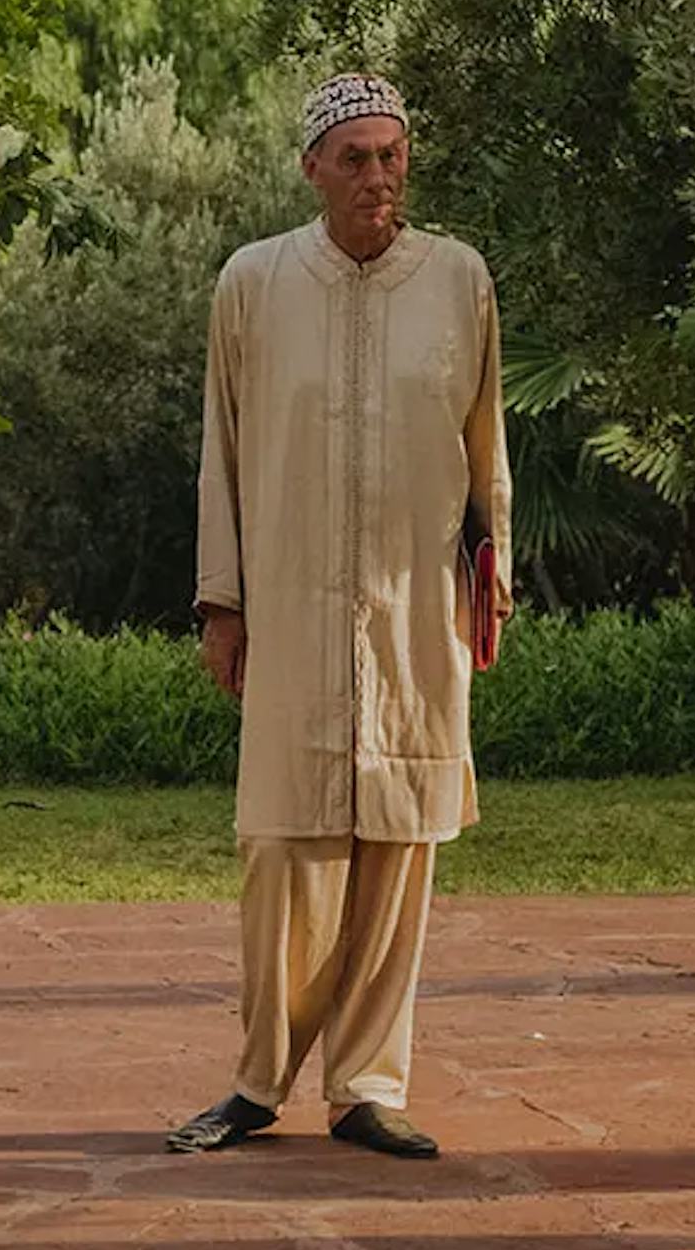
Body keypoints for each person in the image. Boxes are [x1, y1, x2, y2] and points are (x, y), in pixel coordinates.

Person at [167, 72, 510, 1159]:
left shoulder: (458, 278)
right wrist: (223, 598)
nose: (377, 176)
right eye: (354, 157)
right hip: (292, 610)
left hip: (415, 612)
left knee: (401, 842)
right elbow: (219, 449)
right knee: (284, 845)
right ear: (312, 167)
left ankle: (367, 1083)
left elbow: (485, 436)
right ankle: (260, 1080)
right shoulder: (254, 283)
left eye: (392, 156)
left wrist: (492, 562)